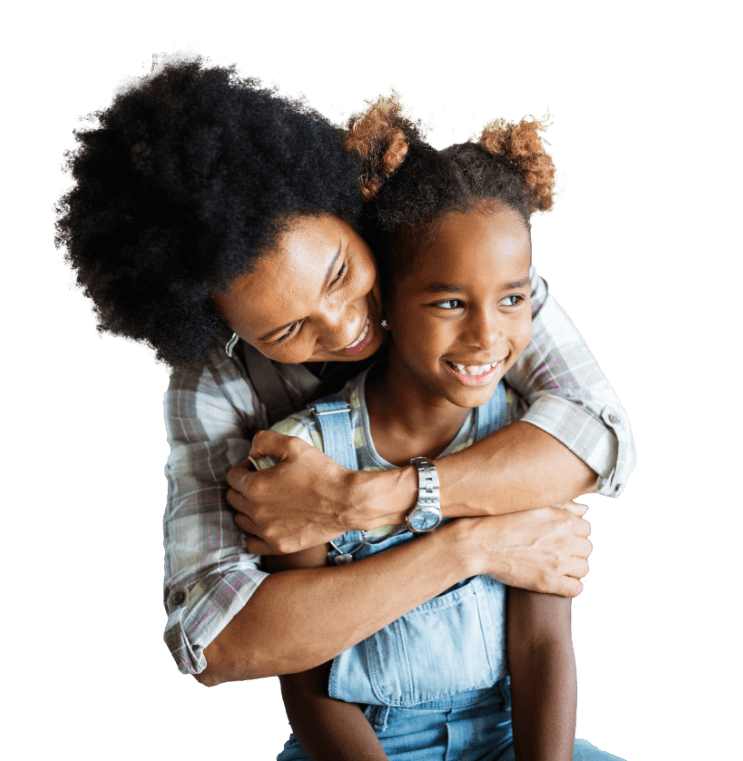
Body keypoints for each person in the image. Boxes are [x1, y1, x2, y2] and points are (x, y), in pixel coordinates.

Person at [51, 47, 635, 687]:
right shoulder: (212, 381)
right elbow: (214, 640)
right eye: (288, 329)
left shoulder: (450, 254)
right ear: (222, 329)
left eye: (339, 274)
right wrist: (469, 547)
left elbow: (600, 436)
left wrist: (362, 500)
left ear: (346, 207)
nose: (345, 326)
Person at [257, 102, 624, 760]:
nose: (487, 335)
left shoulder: (521, 440)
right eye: (449, 302)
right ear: (385, 303)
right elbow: (308, 682)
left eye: (512, 298)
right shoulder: (305, 458)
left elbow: (542, 644)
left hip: (509, 736)